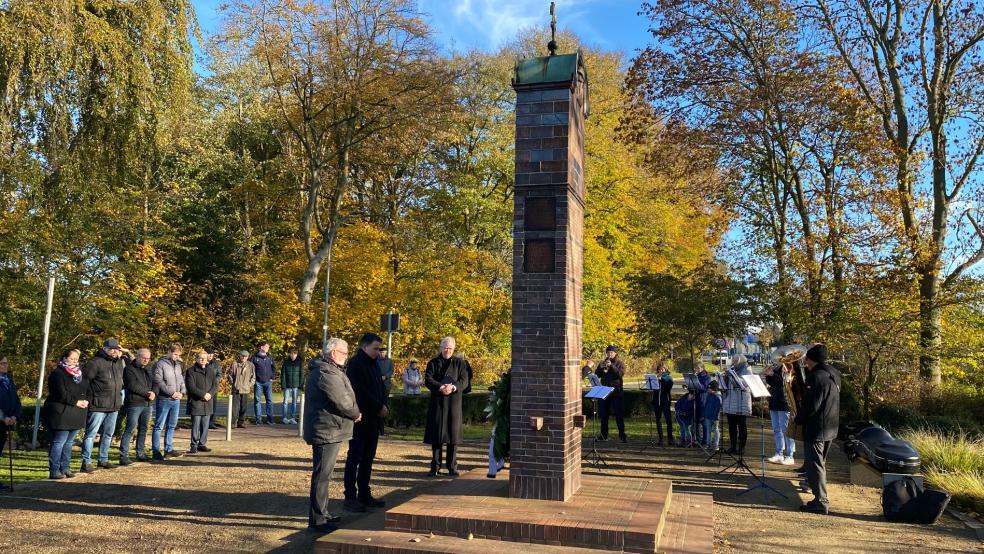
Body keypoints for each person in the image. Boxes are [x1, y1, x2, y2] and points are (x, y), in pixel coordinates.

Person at [304, 338, 361, 533]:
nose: (346, 356)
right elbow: (341, 400)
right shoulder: (326, 372)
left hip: (330, 428)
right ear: (333, 353)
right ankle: (317, 520)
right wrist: (355, 413)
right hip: (326, 429)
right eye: (344, 353)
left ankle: (323, 513)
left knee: (325, 475)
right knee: (322, 475)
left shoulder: (328, 369)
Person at [342, 333, 387, 513]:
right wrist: (378, 406)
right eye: (375, 348)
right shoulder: (356, 364)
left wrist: (384, 404)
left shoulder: (374, 363)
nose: (378, 352)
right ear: (364, 346)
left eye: (379, 348)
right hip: (361, 418)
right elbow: (359, 392)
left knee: (368, 457)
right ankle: (350, 496)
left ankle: (364, 493)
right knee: (355, 456)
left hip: (374, 419)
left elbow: (380, 387)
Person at [794, 344, 840, 515]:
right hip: (831, 425)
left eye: (806, 359)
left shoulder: (815, 377)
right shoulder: (834, 373)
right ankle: (818, 496)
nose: (805, 362)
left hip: (817, 427)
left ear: (811, 359)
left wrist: (798, 419)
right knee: (820, 463)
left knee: (815, 465)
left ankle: (820, 502)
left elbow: (812, 406)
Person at [424, 336, 470, 477]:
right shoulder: (433, 362)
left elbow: (464, 381)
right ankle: (435, 467)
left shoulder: (460, 363)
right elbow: (428, 379)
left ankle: (452, 467)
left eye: (450, 348)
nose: (447, 350)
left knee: (452, 437)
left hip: (453, 403)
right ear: (441, 347)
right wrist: (440, 387)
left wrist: (453, 387)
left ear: (454, 348)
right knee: (436, 437)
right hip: (437, 403)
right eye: (445, 347)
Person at [80, 338, 126, 472]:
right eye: (112, 349)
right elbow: (85, 381)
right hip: (98, 404)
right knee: (91, 434)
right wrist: (88, 398)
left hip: (114, 404)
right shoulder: (95, 362)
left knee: (108, 434)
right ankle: (86, 462)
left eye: (117, 349)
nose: (115, 351)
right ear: (105, 349)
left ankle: (103, 459)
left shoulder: (118, 363)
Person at [41, 349, 88, 479]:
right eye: (72, 358)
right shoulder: (57, 374)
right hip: (61, 412)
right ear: (65, 358)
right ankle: (54, 469)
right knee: (59, 442)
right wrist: (76, 401)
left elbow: (86, 388)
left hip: (76, 412)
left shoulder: (80, 374)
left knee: (69, 443)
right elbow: (60, 393)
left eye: (76, 359)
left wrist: (85, 400)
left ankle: (65, 467)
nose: (74, 361)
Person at [119, 348, 155, 465]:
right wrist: (148, 393)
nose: (146, 360)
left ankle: (140, 453)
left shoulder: (148, 370)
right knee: (130, 429)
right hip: (134, 403)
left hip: (147, 404)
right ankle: (123, 455)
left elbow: (155, 383)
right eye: (144, 358)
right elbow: (132, 385)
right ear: (138, 356)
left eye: (148, 358)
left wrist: (154, 392)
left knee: (143, 429)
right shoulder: (129, 369)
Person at [152, 343, 186, 461]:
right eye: (175, 354)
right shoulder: (160, 364)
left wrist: (182, 392)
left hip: (176, 400)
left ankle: (168, 449)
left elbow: (181, 379)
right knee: (159, 426)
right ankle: (156, 452)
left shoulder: (178, 365)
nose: (177, 357)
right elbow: (159, 381)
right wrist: (171, 393)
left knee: (171, 426)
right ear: (169, 352)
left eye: (179, 355)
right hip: (164, 399)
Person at [186, 351, 219, 453]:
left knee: (205, 425)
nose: (203, 360)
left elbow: (215, 385)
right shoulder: (191, 371)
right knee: (196, 425)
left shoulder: (211, 370)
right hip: (196, 401)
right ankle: (194, 445)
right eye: (201, 358)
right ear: (196, 359)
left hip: (208, 402)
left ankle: (202, 444)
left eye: (205, 358)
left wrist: (210, 394)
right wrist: (203, 395)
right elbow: (191, 387)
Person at [764, 362, 796, 466]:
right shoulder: (776, 368)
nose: (776, 360)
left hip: (784, 403)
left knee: (786, 430)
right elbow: (772, 382)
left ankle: (790, 455)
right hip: (774, 401)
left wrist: (773, 374)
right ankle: (779, 453)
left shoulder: (788, 366)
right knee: (776, 429)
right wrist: (767, 375)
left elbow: (784, 383)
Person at [722, 354, 752, 455]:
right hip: (731, 401)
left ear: (741, 360)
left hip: (741, 401)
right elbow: (726, 385)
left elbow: (746, 383)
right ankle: (733, 446)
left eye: (736, 360)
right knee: (731, 425)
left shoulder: (747, 369)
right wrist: (725, 377)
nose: (733, 362)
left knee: (742, 425)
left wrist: (733, 376)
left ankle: (742, 447)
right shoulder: (732, 369)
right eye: (733, 360)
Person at [595, 345, 626, 443]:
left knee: (618, 414)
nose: (609, 354)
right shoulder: (603, 362)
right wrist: (600, 367)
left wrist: (611, 366)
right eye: (608, 352)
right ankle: (604, 435)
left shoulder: (620, 363)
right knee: (604, 414)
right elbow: (597, 374)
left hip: (616, 392)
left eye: (611, 352)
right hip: (605, 391)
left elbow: (620, 374)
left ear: (615, 353)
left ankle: (622, 436)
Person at [0, 354, 22, 490]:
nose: (5, 366)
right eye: (2, 363)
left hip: (6, 423)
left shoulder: (8, 380)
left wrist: (15, 415)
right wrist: (3, 417)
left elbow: (16, 400)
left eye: (6, 363)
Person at [229, 350, 255, 428]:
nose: (243, 357)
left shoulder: (251, 365)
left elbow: (253, 377)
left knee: (244, 407)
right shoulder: (234, 364)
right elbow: (230, 375)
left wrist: (249, 385)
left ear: (247, 357)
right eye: (242, 356)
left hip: (246, 389)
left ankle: (241, 422)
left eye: (245, 356)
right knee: (234, 407)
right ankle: (233, 423)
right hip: (236, 389)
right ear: (239, 356)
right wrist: (232, 383)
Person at [252, 341, 275, 425]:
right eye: (266, 346)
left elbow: (273, 368)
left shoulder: (270, 358)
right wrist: (254, 379)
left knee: (269, 401)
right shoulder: (254, 358)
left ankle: (270, 419)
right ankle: (258, 420)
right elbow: (251, 369)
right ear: (261, 347)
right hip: (258, 382)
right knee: (257, 400)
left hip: (268, 382)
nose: (268, 348)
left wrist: (272, 377)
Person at [281, 347, 303, 425]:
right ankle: (284, 418)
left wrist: (301, 385)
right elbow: (283, 374)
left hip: (296, 386)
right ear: (289, 354)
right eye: (291, 354)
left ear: (296, 354)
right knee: (285, 402)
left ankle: (292, 418)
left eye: (294, 354)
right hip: (287, 386)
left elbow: (301, 374)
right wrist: (283, 385)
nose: (293, 355)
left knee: (294, 402)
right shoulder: (286, 362)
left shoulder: (299, 363)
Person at [654, 364, 674, 446]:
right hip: (657, 401)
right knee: (658, 420)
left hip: (665, 401)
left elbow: (668, 388)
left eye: (662, 369)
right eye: (659, 369)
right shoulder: (655, 377)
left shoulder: (668, 377)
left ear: (665, 370)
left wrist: (661, 379)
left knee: (668, 420)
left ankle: (670, 438)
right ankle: (661, 438)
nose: (661, 371)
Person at [205, 348, 223, 430]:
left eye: (212, 354)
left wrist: (214, 382)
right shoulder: (202, 362)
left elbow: (219, 374)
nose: (210, 356)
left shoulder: (216, 363)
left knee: (213, 405)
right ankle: (203, 422)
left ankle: (211, 422)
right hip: (204, 386)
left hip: (213, 387)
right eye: (209, 354)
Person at [703, 380, 723, 451]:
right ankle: (708, 444)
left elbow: (717, 409)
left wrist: (716, 419)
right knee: (708, 430)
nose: (708, 390)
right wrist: (704, 414)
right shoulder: (708, 395)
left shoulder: (718, 397)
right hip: (707, 416)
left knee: (715, 431)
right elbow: (706, 405)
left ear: (714, 389)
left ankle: (715, 445)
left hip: (714, 418)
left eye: (710, 388)